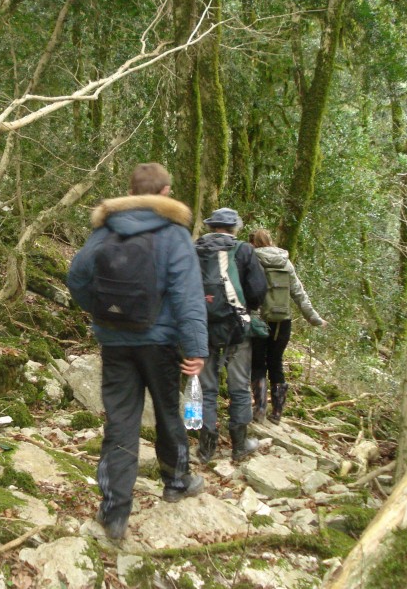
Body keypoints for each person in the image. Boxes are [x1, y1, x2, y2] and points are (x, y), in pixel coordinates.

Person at [67, 162, 209, 541]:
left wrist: (103, 312)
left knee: (120, 422)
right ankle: (176, 481)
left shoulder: (105, 229)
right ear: (165, 193)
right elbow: (188, 295)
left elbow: (77, 277)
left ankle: (114, 511)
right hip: (160, 343)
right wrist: (196, 348)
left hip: (115, 341)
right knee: (167, 411)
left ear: (130, 192)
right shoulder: (174, 233)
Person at [195, 208, 267, 464]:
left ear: (210, 226)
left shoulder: (196, 249)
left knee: (206, 388)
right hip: (237, 327)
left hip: (202, 327)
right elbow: (258, 291)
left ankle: (206, 448)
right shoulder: (244, 250)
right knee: (238, 386)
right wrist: (246, 308)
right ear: (235, 227)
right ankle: (239, 444)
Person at [249, 228, 327, 424]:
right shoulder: (286, 262)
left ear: (253, 243)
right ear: (271, 241)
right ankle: (277, 412)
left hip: (259, 319)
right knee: (276, 363)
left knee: (258, 363)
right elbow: (299, 294)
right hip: (282, 322)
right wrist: (315, 319)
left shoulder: (252, 259)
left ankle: (259, 408)